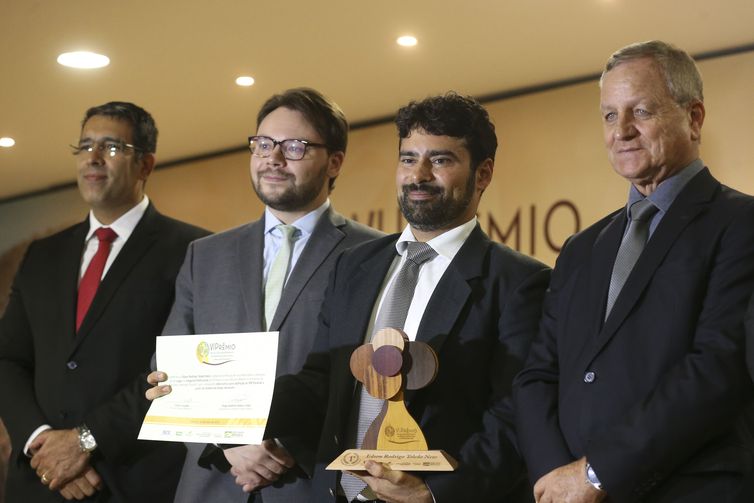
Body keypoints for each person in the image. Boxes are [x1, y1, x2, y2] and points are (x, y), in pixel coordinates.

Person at [250, 92, 551, 502]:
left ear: (483, 174)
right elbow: (320, 381)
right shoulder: (355, 265)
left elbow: (513, 415)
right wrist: (221, 407)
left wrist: (433, 491)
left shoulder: (519, 281)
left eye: (441, 160)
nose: (418, 175)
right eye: (408, 158)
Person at [514, 40, 754, 503]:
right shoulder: (582, 248)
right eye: (609, 115)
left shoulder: (740, 224)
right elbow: (537, 375)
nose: (621, 130)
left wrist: (597, 474)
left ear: (694, 117)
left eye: (640, 111)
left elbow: (718, 367)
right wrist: (554, 478)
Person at [146, 87, 382, 503]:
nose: (273, 158)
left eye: (294, 146)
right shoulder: (206, 254)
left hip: (312, 483)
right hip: (213, 485)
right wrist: (227, 445)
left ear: (335, 161)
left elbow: (370, 377)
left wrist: (288, 446)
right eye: (263, 144)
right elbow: (169, 367)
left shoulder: (372, 254)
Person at [0, 101, 209, 501]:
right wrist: (42, 441)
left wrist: (84, 441)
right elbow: (8, 359)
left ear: (146, 165)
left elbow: (181, 367)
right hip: (40, 482)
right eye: (85, 146)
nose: (93, 159)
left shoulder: (194, 250)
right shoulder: (41, 255)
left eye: (112, 147)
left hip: (132, 479)